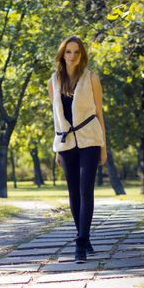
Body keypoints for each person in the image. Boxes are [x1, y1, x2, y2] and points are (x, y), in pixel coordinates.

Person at [47, 35, 107, 263]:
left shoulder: (91, 78)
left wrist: (103, 147)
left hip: (90, 140)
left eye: (76, 52)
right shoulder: (52, 82)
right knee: (73, 193)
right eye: (68, 52)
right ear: (62, 54)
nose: (71, 56)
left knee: (85, 191)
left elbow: (99, 113)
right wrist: (57, 149)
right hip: (65, 143)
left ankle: (80, 244)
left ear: (82, 55)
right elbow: (56, 117)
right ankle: (84, 236)